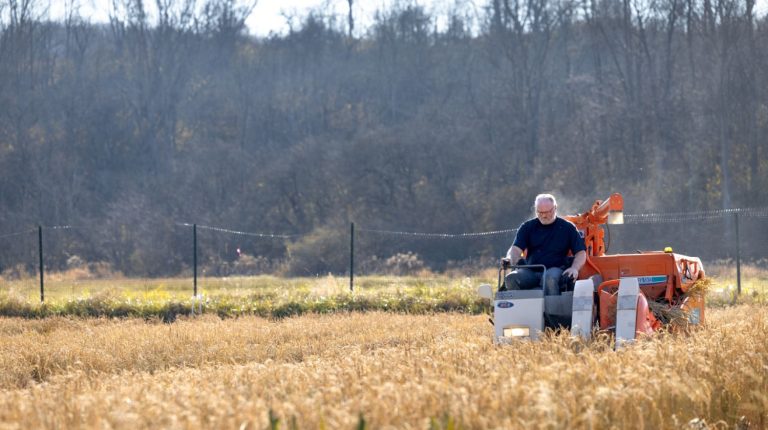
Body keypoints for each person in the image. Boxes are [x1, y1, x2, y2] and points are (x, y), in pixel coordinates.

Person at [502, 194, 586, 295]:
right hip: (530, 270)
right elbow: (515, 249)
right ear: (536, 210)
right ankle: (518, 304)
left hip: (556, 269)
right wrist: (512, 260)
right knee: (511, 278)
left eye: (547, 212)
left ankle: (553, 305)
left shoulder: (568, 228)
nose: (544, 216)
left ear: (555, 208)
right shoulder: (527, 227)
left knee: (549, 279)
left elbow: (581, 253)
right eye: (540, 212)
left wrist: (574, 268)